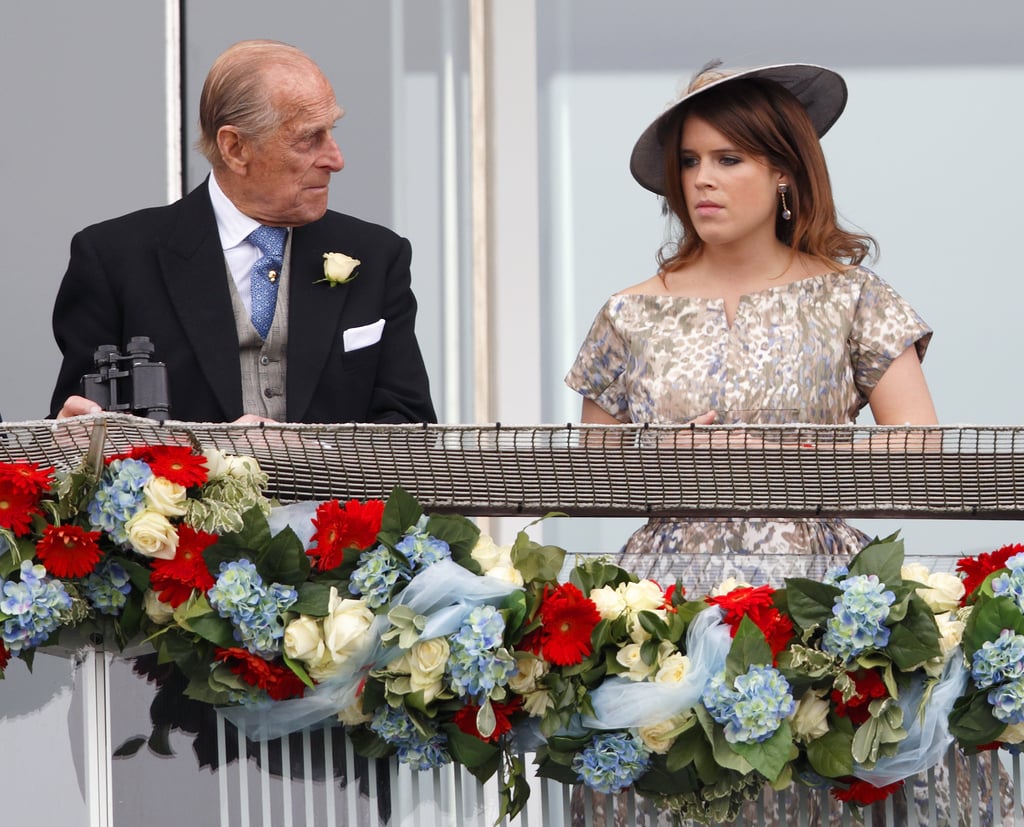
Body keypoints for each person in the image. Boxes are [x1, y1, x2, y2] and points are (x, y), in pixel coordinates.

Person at [565, 60, 938, 590]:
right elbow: (591, 479)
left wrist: (799, 457)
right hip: (663, 609)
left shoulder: (855, 296)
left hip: (818, 604)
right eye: (690, 161)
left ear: (784, 170)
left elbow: (922, 448)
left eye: (729, 158)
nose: (702, 180)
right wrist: (663, 455)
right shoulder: (627, 312)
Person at [50, 39, 436, 426]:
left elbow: (410, 432)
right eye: (308, 138)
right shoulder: (114, 260)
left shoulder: (378, 256)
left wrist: (305, 456)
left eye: (331, 131)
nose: (336, 159)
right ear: (235, 148)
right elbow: (80, 441)